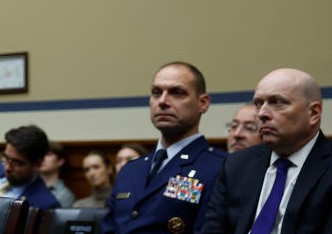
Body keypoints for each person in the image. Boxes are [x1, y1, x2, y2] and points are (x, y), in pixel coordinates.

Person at [199, 68, 332, 233]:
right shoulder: (236, 165)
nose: (262, 114)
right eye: (258, 104)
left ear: (313, 113)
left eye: (277, 102)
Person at [101, 61, 225, 234]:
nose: (163, 101)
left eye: (177, 93)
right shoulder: (130, 170)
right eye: (156, 93)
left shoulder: (219, 167)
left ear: (203, 103)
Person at [0, 124, 60, 210]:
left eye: (17, 163)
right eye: (6, 158)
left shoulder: (45, 204)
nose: (7, 168)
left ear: (38, 163)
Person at [40, 141, 76, 207]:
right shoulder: (28, 187)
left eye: (48, 154)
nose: (42, 158)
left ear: (60, 161)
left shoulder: (65, 195)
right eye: (40, 154)